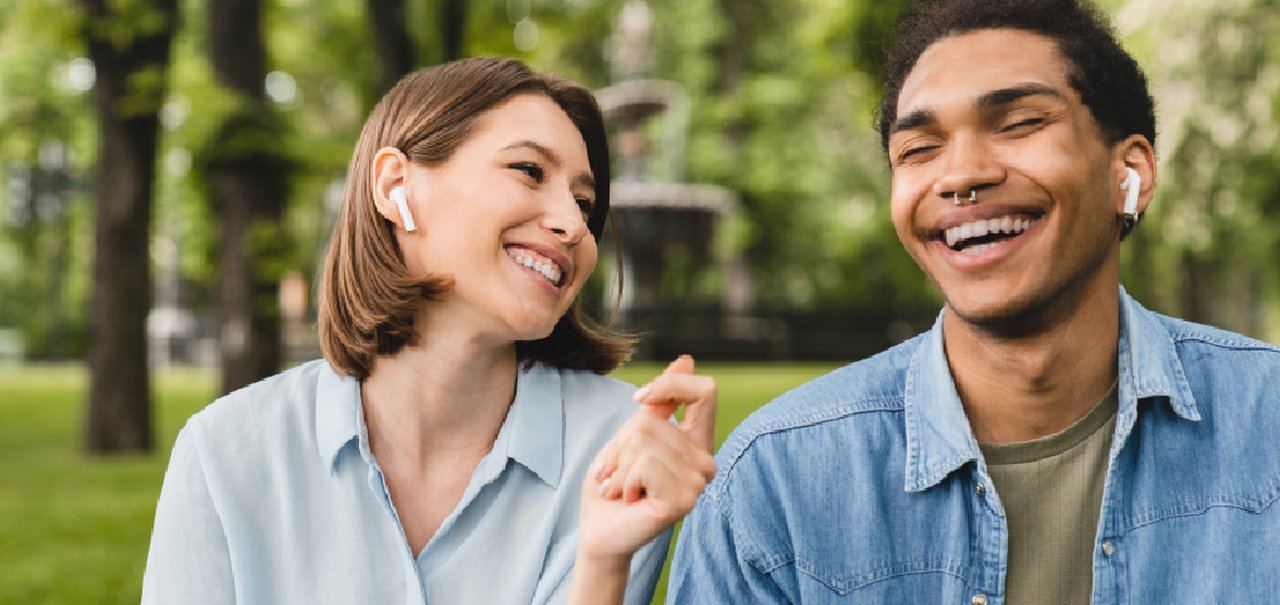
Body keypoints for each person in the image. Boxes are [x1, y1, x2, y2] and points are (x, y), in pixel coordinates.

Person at [667, 0, 1280, 602]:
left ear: (1132, 173)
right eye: (919, 150)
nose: (960, 175)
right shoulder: (774, 485)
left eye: (1018, 124)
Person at [142, 57, 716, 605]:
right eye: (528, 171)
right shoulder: (225, 453)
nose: (572, 224)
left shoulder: (622, 445)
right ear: (395, 186)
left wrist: (602, 564)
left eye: (584, 202)